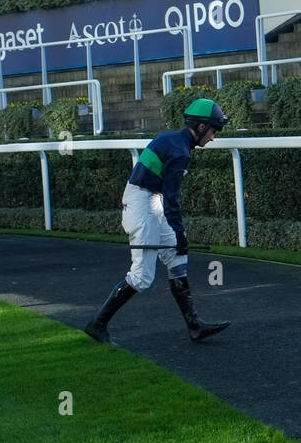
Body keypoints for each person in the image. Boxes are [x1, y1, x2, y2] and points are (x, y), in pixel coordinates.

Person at [84, 98, 230, 344]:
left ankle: (195, 326)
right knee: (142, 277)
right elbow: (172, 200)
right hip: (144, 203)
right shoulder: (180, 151)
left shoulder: (171, 139)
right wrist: (181, 234)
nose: (213, 138)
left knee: (176, 255)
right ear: (202, 127)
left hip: (147, 198)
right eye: (214, 131)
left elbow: (164, 196)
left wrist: (178, 238)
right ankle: (98, 323)